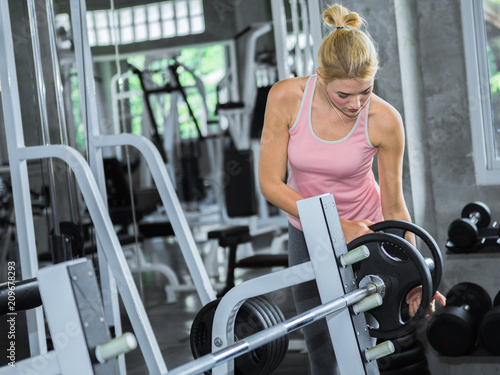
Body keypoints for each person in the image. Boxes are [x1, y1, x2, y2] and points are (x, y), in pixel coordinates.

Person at [258, 3, 446, 374]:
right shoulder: (286, 98)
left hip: (369, 233)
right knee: (320, 344)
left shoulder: (385, 119)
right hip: (308, 229)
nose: (356, 103)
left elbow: (394, 204)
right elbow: (269, 184)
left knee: (371, 343)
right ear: (321, 76)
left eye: (365, 91)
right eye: (344, 95)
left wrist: (411, 273)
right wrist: (334, 225)